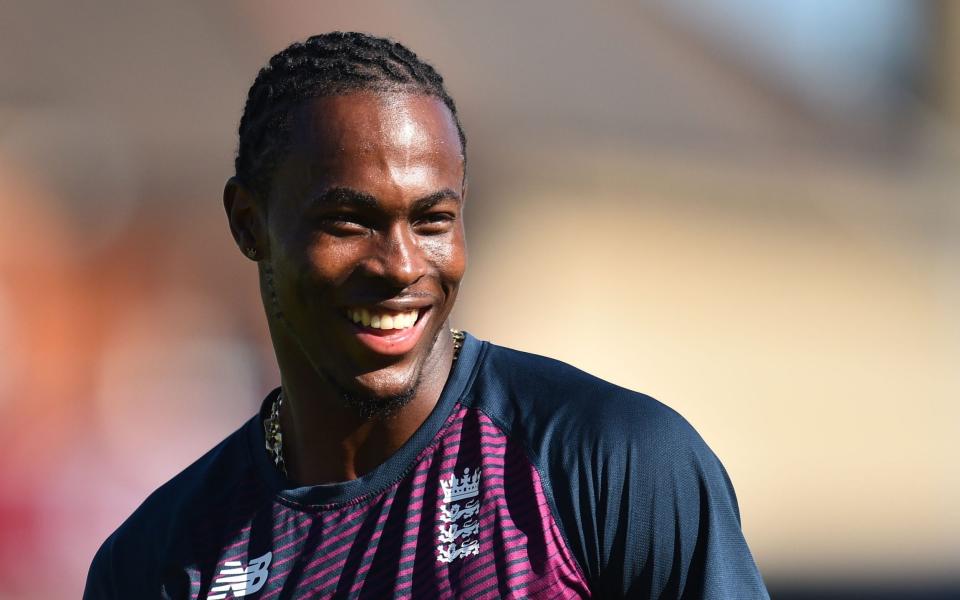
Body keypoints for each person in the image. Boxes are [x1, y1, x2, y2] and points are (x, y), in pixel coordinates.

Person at [84, 32, 769, 599]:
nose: (402, 266)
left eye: (433, 219)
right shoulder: (159, 560)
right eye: (349, 221)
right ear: (248, 224)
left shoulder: (609, 461)